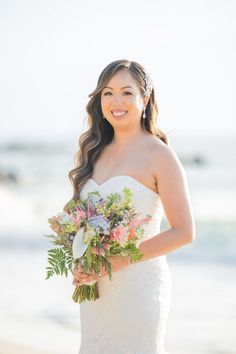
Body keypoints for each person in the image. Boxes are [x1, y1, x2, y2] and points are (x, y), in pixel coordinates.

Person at [70, 59, 195, 354]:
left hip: (139, 289)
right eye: (108, 93)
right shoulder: (92, 151)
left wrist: (120, 261)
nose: (117, 101)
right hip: (97, 290)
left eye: (127, 93)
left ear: (145, 99)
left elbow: (184, 232)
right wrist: (80, 261)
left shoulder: (160, 155)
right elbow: (82, 224)